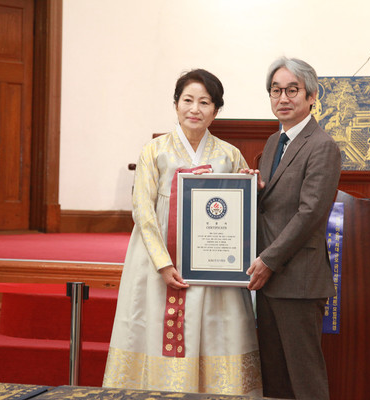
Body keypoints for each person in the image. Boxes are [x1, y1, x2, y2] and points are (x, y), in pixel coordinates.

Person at [103, 69, 262, 396]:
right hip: (159, 259)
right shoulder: (154, 151)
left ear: (216, 110)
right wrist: (162, 263)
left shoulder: (229, 154)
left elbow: (242, 214)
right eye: (188, 100)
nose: (195, 109)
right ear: (175, 104)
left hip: (213, 269)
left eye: (205, 102)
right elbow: (143, 211)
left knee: (216, 328)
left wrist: (250, 184)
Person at [241, 57, 341, 399]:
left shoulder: (322, 145)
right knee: (275, 377)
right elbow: (274, 205)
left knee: (305, 378)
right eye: (275, 90)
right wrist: (250, 192)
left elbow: (310, 213)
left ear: (312, 96)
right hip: (268, 280)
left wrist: (268, 260)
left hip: (297, 279)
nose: (283, 98)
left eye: (292, 90)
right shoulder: (273, 142)